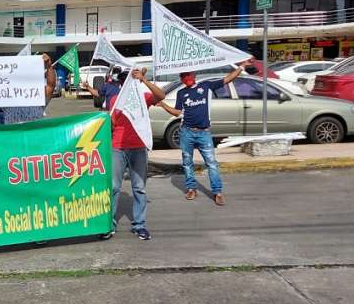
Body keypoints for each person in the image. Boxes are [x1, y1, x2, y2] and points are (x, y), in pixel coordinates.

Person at [158, 62, 250, 205]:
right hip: (187, 132)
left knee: (212, 163)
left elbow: (227, 79)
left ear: (194, 74)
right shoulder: (181, 93)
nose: (186, 77)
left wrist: (241, 67)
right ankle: (191, 188)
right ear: (181, 78)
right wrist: (163, 104)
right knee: (187, 163)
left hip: (204, 133)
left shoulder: (206, 86)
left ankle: (217, 192)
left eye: (188, 74)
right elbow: (177, 112)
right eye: (183, 76)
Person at [103, 68, 165, 241]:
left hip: (138, 147)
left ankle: (139, 225)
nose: (126, 84)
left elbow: (160, 96)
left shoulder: (142, 98)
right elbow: (112, 124)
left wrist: (144, 80)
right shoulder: (115, 100)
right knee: (114, 187)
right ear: (121, 84)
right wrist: (110, 121)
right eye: (124, 81)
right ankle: (109, 224)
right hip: (118, 147)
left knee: (139, 188)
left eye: (130, 80)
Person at [3, 53, 56, 125]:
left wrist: (49, 66)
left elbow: (51, 85)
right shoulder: (5, 97)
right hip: (14, 134)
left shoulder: (38, 96)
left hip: (35, 134)